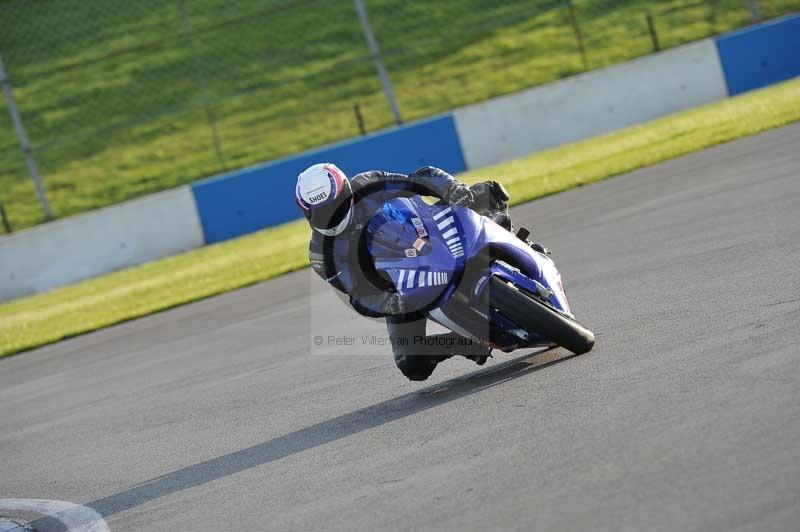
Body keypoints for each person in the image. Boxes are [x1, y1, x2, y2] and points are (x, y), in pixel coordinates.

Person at [297, 163, 541, 381]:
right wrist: (389, 303)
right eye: (322, 212)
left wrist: (450, 189)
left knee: (488, 192)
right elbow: (357, 293)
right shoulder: (321, 254)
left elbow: (419, 178)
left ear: (346, 192)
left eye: (335, 205)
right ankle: (467, 343)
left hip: (429, 233)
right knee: (412, 362)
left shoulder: (369, 184)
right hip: (400, 289)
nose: (331, 215)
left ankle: (519, 246)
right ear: (307, 213)